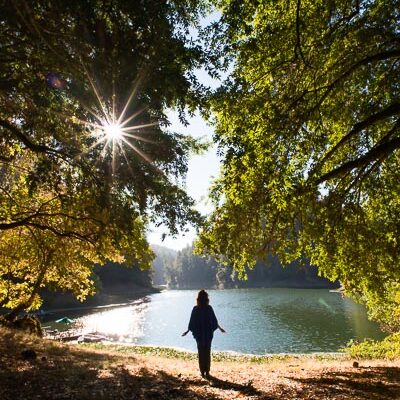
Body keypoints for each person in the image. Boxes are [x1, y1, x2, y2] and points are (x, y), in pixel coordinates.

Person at [182, 289, 225, 379]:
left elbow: (191, 322)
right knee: (207, 352)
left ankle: (202, 372)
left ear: (198, 299)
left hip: (199, 335)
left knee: (201, 353)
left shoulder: (196, 309)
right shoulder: (209, 308)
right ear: (206, 298)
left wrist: (188, 330)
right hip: (208, 335)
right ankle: (207, 372)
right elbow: (214, 321)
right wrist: (219, 328)